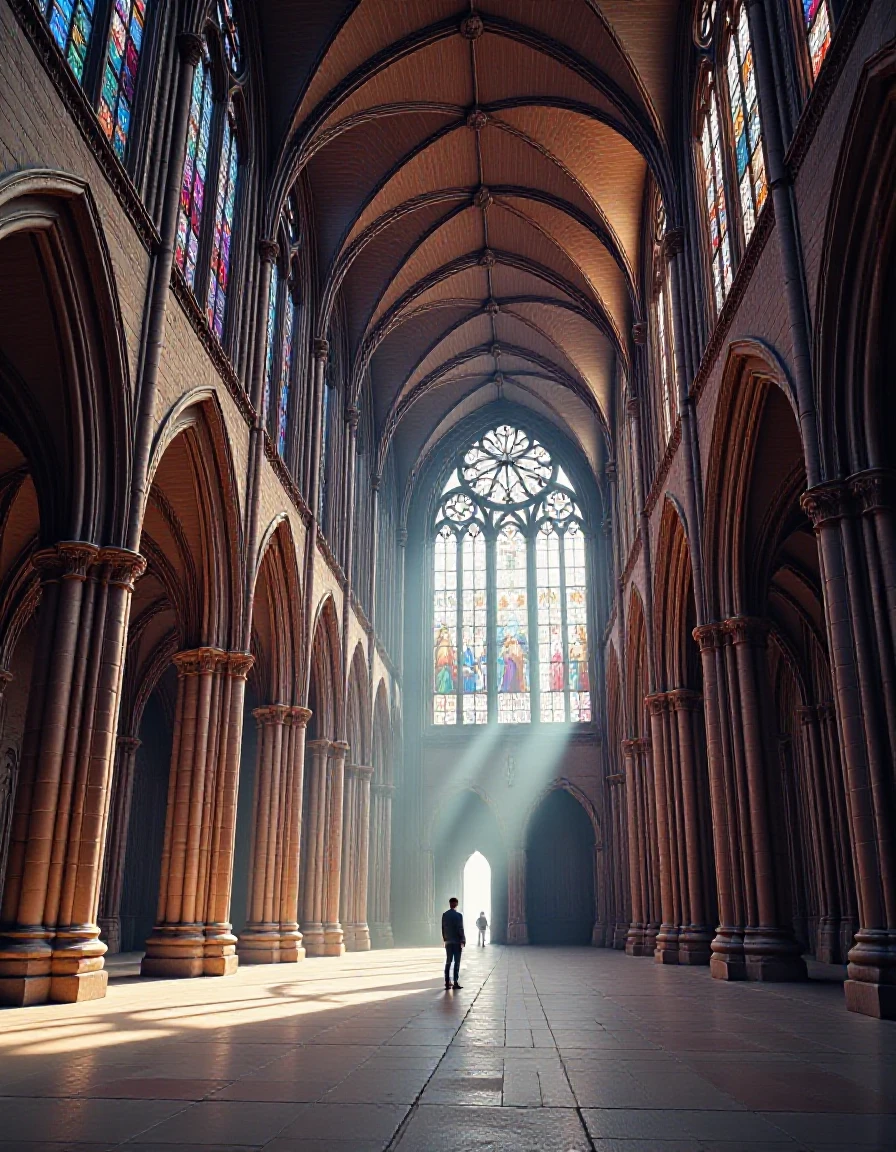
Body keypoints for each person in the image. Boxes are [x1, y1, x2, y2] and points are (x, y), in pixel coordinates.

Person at [441, 897, 465, 989]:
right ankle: (455, 982)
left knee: (448, 961)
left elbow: (443, 928)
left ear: (450, 904)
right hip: (457, 942)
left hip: (448, 941)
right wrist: (463, 940)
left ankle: (447, 982)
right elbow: (460, 928)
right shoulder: (459, 915)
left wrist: (445, 939)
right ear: (457, 904)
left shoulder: (445, 915)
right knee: (457, 962)